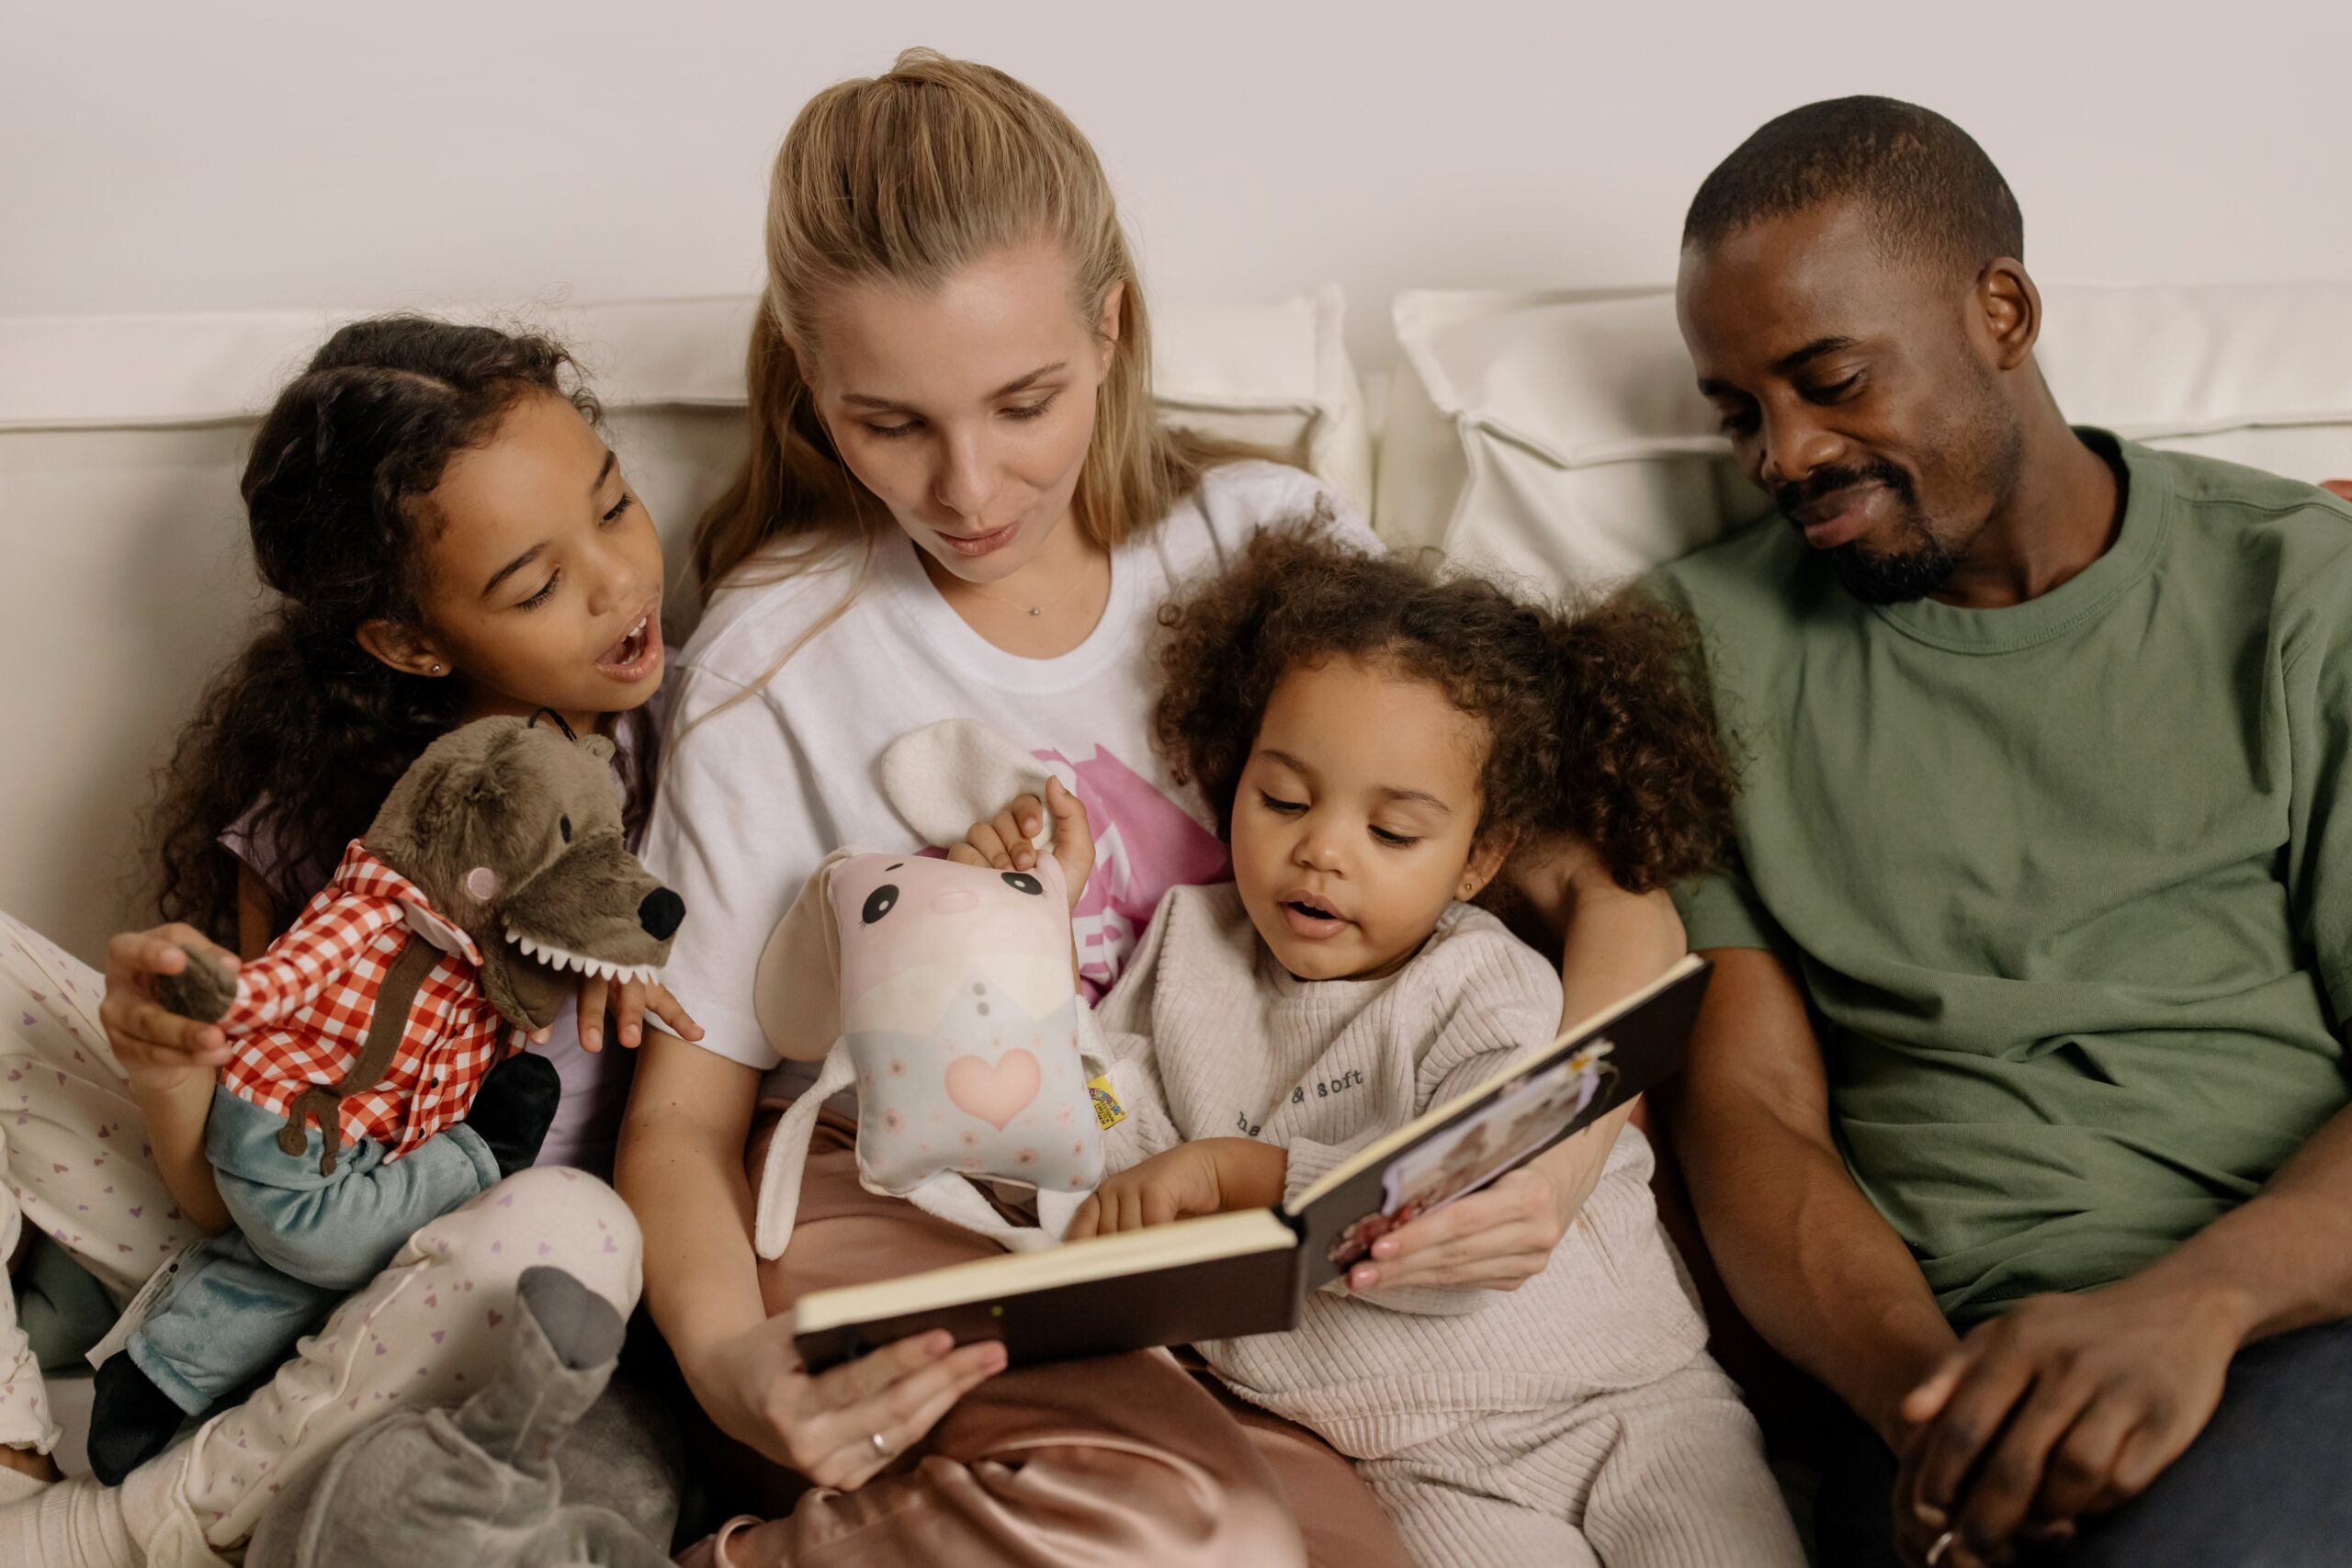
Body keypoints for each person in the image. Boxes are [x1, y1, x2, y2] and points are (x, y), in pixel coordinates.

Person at [622, 50, 1627, 1568]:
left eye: (1024, 403)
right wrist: (722, 1364)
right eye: (887, 421)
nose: (969, 487)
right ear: (812, 386)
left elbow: (1604, 886)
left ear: (1112, 327)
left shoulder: (1262, 543)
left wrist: (1555, 1145)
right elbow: (681, 1122)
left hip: (1202, 1223)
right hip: (917, 1189)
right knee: (1196, 1535)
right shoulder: (782, 658)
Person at [1651, 96, 2352, 1568]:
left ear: (2002, 311)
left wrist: (2195, 1307)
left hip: (2296, 1318)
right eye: (1737, 413)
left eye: (1828, 378)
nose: (1783, 453)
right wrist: (1938, 1411)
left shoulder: (2304, 594)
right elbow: (1752, 1112)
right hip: (1934, 1377)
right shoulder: (1696, 649)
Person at [1, 315, 679, 1563]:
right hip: (278, 1245)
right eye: (534, 584)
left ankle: (129, 1529)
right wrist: (170, 1070)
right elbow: (244, 1199)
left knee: (573, 1224)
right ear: (411, 641)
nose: (618, 580)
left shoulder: (684, 748)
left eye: (618, 504)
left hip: (475, 1283)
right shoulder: (320, 821)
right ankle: (12, 1455)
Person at [1028, 528, 1804, 1568]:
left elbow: (1457, 1188)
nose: (1321, 850)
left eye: (1393, 833)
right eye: (1283, 799)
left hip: (1626, 1403)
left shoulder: (1482, 980)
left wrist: (1231, 1173)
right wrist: (1036, 936)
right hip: (1406, 1462)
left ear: (1479, 858)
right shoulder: (1182, 953)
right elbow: (1106, 1115)